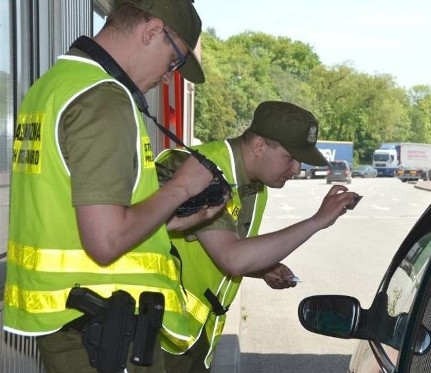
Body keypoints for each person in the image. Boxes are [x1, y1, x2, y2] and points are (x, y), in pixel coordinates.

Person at [3, 1, 223, 371]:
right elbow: (105, 243)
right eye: (174, 61)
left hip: (78, 325)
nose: (169, 76)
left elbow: (76, 215)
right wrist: (180, 189)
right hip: (107, 331)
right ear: (152, 31)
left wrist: (173, 222)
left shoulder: (54, 84)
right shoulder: (105, 99)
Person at [156, 101, 361, 372]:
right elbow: (233, 258)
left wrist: (263, 268)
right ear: (259, 146)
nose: (297, 169)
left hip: (191, 337)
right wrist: (317, 221)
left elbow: (227, 248)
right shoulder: (198, 171)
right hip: (153, 333)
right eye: (290, 158)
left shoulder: (254, 186)